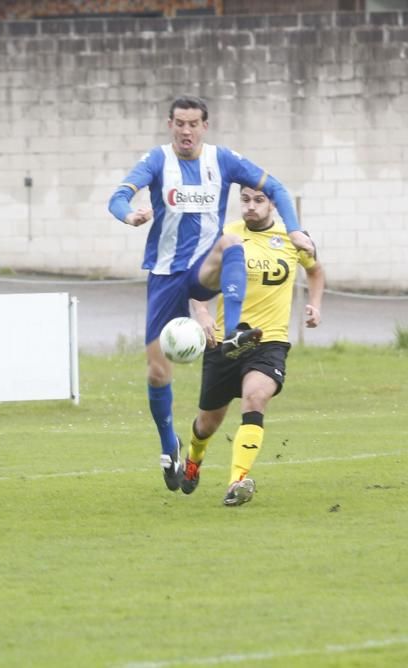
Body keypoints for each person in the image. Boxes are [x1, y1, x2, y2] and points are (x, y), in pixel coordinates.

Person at [107, 95, 315, 492]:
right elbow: (117, 197)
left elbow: (277, 188)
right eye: (179, 123)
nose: (186, 131)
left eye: (193, 124)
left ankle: (236, 329)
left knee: (231, 245)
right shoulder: (156, 161)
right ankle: (170, 445)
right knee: (156, 372)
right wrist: (128, 214)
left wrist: (293, 229)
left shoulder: (223, 160)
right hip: (165, 275)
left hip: (205, 265)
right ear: (170, 124)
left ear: (205, 126)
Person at [182, 186, 324, 505]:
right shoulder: (227, 234)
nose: (251, 206)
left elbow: (315, 271)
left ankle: (237, 482)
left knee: (255, 397)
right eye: (245, 199)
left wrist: (315, 304)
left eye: (259, 200)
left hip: (268, 340)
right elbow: (198, 282)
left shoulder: (293, 237)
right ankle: (194, 457)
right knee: (207, 424)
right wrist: (203, 313)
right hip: (225, 341)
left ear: (273, 204)